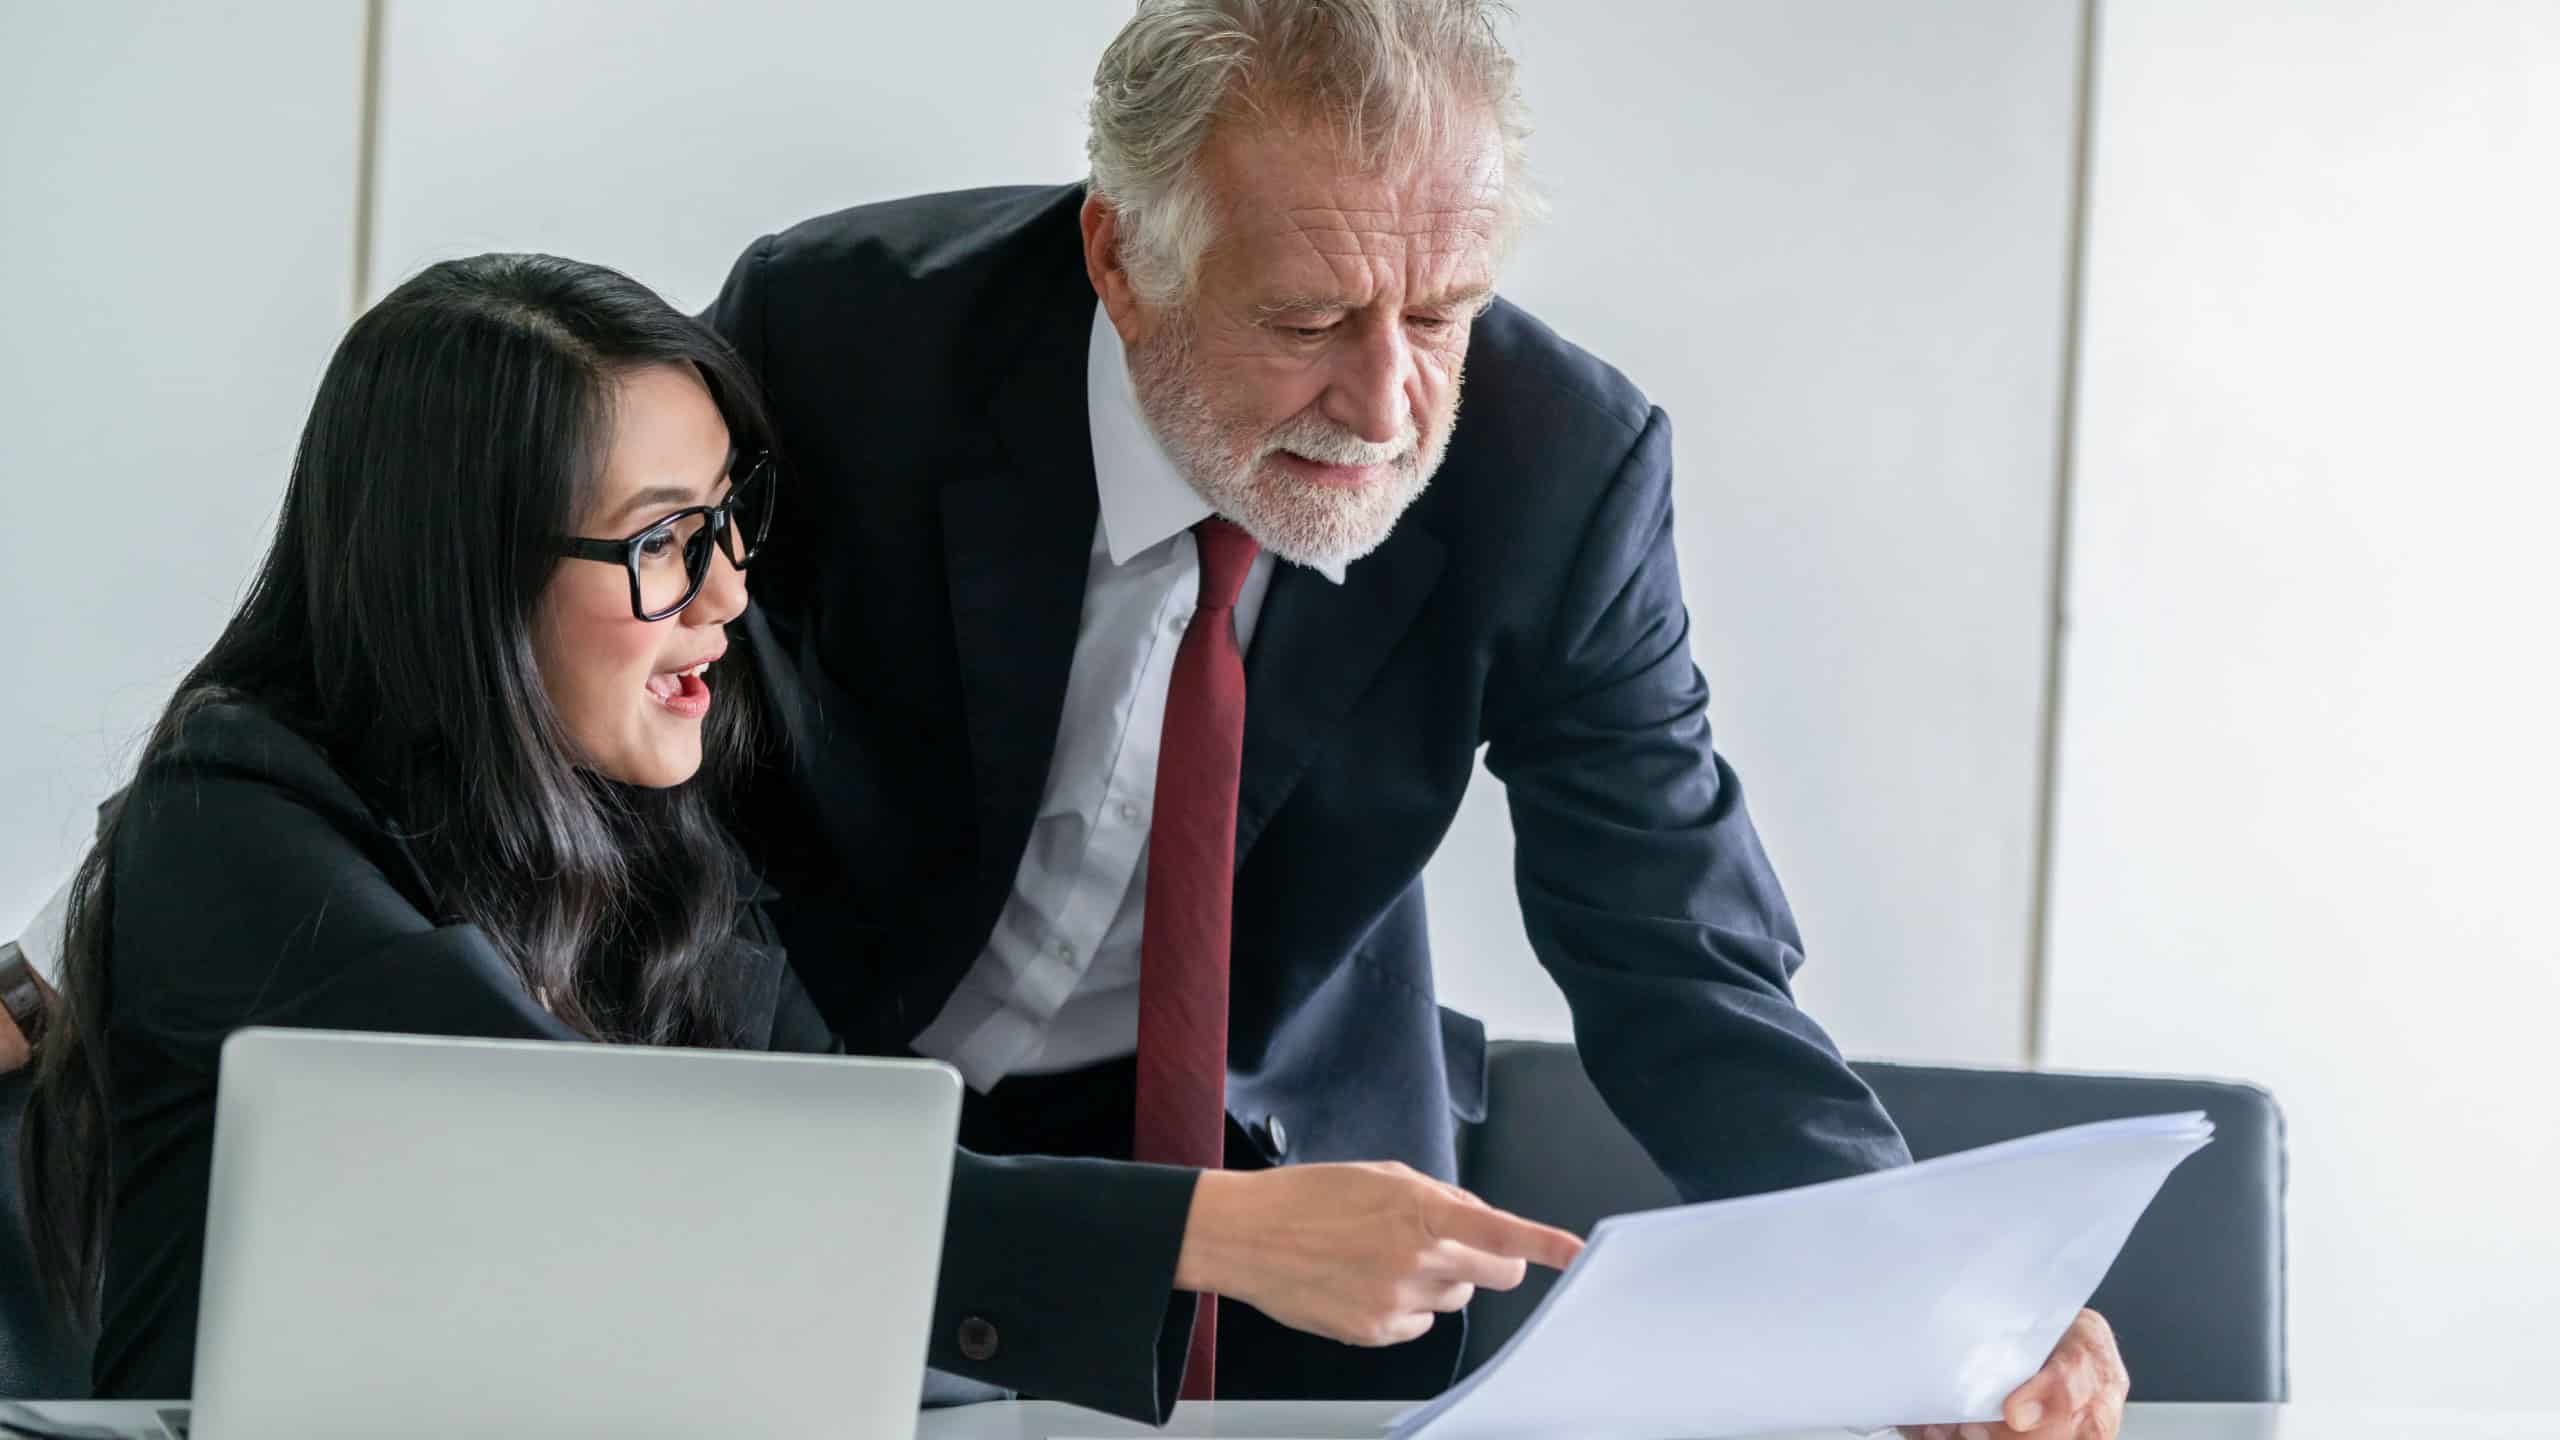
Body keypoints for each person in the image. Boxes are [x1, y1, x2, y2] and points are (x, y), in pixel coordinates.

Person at [705, 0, 2130, 1431]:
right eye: (1308, 320)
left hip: (1295, 1209)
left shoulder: (1559, 466)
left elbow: (1675, 948)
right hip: (822, 1117)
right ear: (1121, 261)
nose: (1387, 407)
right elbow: (632, 788)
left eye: (1443, 315)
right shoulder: (838, 342)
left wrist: (1911, 1290)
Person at [11, 253, 1580, 1413]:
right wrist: (1205, 1231)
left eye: (726, 520)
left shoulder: (657, 836)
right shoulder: (226, 828)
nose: (725, 595)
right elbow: (609, 1169)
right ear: (457, 574)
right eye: (656, 543)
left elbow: (840, 1161)